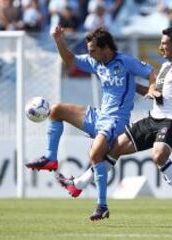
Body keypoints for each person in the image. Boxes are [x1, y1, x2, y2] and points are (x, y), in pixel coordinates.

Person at [56, 27, 172, 223]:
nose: (161, 47)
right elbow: (151, 92)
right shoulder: (164, 67)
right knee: (114, 147)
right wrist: (127, 84)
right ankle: (79, 184)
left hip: (171, 121)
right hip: (152, 118)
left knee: (159, 156)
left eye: (164, 43)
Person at [25, 26, 156, 221]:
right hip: (100, 116)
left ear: (105, 48)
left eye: (93, 50)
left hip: (116, 120)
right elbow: (69, 60)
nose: (90, 53)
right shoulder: (96, 62)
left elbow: (151, 73)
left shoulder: (125, 62)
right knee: (57, 110)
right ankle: (51, 158)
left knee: (95, 154)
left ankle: (102, 206)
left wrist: (152, 88)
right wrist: (59, 41)